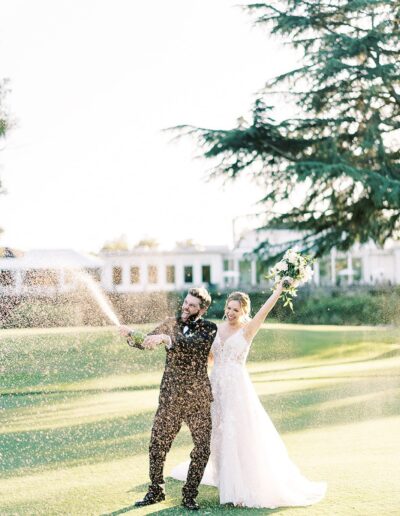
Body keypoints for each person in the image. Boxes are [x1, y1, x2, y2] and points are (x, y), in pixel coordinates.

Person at [171, 283, 327, 508]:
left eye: (236, 310)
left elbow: (264, 310)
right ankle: (226, 480)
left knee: (237, 433)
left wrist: (279, 290)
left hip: (236, 389)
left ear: (244, 312)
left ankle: (241, 486)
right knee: (217, 433)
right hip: (215, 388)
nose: (231, 313)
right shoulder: (216, 328)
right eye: (229, 308)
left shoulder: (248, 329)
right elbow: (211, 358)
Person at [119, 287, 217, 511]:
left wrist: (169, 340)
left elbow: (195, 348)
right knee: (157, 444)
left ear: (202, 309)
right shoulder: (169, 322)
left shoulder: (210, 328)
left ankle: (189, 494)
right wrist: (130, 335)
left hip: (198, 399)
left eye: (192, 305)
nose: (186, 307)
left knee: (202, 448)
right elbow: (146, 341)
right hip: (170, 397)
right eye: (185, 302)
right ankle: (155, 490)